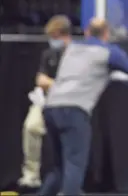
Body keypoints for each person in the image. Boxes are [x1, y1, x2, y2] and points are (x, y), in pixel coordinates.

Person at [38, 18, 128, 196]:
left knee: (59, 168)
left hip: (50, 108)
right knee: (74, 166)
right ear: (106, 35)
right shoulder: (108, 52)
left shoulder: (72, 48)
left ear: (87, 32)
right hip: (74, 110)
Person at [18, 15, 72, 193]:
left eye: (54, 37)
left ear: (64, 35)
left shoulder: (76, 54)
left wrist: (54, 84)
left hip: (69, 103)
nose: (52, 41)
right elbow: (40, 79)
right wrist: (55, 84)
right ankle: (31, 175)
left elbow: (73, 82)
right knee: (31, 127)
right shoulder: (48, 54)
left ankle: (69, 183)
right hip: (45, 101)